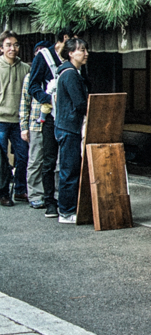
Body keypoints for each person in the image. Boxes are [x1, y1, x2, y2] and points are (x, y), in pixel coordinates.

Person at [27, 29, 73, 217]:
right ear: (65, 39)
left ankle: (66, 200)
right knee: (48, 160)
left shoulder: (73, 59)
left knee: (68, 161)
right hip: (49, 114)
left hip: (69, 116)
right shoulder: (44, 57)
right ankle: (49, 201)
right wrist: (48, 98)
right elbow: (33, 85)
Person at [54, 38, 89, 225]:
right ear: (70, 53)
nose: (86, 53)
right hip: (69, 127)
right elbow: (80, 103)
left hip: (66, 126)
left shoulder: (70, 72)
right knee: (69, 170)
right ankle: (66, 211)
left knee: (69, 169)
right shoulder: (70, 74)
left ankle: (68, 208)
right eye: (81, 50)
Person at [20, 41, 52, 215]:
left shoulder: (54, 74)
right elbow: (24, 103)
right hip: (34, 123)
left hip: (52, 122)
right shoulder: (30, 76)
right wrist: (23, 126)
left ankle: (51, 194)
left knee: (53, 161)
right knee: (35, 161)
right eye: (38, 52)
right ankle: (35, 195)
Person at [0, 32, 30, 207]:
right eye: (9, 45)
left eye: (16, 45)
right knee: (2, 160)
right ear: (1, 48)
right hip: (1, 119)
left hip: (19, 121)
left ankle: (20, 189)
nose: (13, 48)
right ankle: (3, 193)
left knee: (23, 156)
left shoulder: (25, 68)